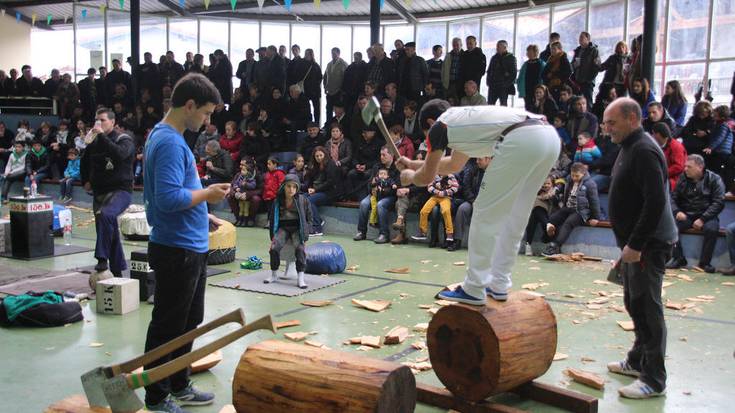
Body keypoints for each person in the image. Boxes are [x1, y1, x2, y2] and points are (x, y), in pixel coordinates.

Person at [397, 100, 560, 304]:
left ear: (430, 122)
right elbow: (453, 164)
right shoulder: (462, 120)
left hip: (520, 140)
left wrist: (410, 177)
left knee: (483, 211)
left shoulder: (439, 127)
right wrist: (412, 164)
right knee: (516, 215)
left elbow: (427, 176)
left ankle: (474, 287)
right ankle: (499, 285)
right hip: (548, 138)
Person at [142, 73, 228, 413]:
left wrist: (202, 209)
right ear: (189, 105)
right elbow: (166, 198)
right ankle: (156, 395)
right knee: (168, 324)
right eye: (205, 113)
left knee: (188, 320)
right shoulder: (168, 142)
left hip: (189, 243)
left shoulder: (170, 137)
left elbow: (177, 192)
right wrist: (205, 194)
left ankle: (179, 383)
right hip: (176, 248)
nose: (207, 121)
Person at [604, 97, 677, 399]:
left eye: (612, 123)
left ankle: (654, 379)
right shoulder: (629, 146)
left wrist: (635, 245)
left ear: (632, 118)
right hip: (634, 246)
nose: (606, 129)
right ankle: (637, 361)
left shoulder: (645, 150)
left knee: (648, 309)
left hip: (649, 245)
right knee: (634, 304)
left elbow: (656, 201)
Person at [79, 108, 135, 276]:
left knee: (106, 215)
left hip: (121, 190)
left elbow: (119, 155)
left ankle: (101, 259)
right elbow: (84, 161)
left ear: (112, 122)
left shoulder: (124, 139)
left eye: (102, 120)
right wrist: (85, 181)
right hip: (100, 190)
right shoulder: (94, 141)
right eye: (97, 120)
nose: (99, 124)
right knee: (106, 227)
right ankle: (117, 271)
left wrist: (101, 136)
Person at [666, 154, 725, 273]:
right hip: (686, 214)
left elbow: (719, 202)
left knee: (712, 229)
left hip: (707, 216)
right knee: (671, 227)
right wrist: (677, 211)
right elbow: (672, 198)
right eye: (685, 166)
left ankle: (704, 263)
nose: (685, 169)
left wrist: (703, 219)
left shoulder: (714, 179)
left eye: (689, 167)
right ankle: (678, 258)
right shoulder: (682, 178)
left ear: (700, 167)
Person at [264, 173, 313, 288]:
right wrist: (273, 238)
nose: (291, 189)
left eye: (294, 187)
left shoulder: (303, 200)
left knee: (300, 249)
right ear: (283, 187)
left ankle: (300, 277)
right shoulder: (277, 201)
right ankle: (274, 274)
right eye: (288, 186)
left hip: (297, 229)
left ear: (297, 188)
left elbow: (310, 219)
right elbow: (272, 219)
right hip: (283, 228)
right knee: (274, 249)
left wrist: (305, 234)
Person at [542, 162, 601, 256]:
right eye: (572, 175)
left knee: (568, 223)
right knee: (553, 218)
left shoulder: (590, 184)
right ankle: (548, 240)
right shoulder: (569, 180)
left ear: (583, 173)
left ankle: (555, 246)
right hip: (568, 207)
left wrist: (596, 217)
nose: (574, 178)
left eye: (577, 176)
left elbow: (594, 201)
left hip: (581, 211)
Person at [449, 156, 491, 252]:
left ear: (488, 159)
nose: (477, 161)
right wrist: (473, 201)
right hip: (472, 201)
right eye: (477, 159)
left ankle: (484, 244)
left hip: (488, 204)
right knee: (462, 209)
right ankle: (457, 240)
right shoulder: (473, 170)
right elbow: (466, 188)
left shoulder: (495, 173)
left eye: (480, 159)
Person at [305, 146, 341, 236]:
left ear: (325, 155)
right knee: (302, 198)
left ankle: (317, 228)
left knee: (309, 201)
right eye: (317, 156)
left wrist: (315, 190)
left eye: (321, 155)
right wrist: (310, 187)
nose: (319, 158)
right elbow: (310, 180)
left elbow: (330, 182)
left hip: (330, 192)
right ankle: (318, 220)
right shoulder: (314, 166)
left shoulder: (331, 165)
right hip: (317, 191)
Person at [522, 176, 559, 255]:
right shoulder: (538, 193)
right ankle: (547, 226)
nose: (545, 185)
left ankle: (528, 244)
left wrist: (550, 197)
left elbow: (557, 205)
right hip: (541, 216)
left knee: (536, 211)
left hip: (551, 214)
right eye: (544, 183)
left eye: (548, 183)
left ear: (552, 184)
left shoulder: (556, 192)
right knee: (536, 212)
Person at [229, 158, 262, 227]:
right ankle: (239, 219)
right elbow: (232, 185)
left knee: (256, 199)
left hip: (250, 195)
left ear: (249, 166)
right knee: (230, 196)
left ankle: (250, 219)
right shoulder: (239, 174)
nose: (240, 166)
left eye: (243, 165)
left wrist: (248, 194)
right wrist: (235, 193)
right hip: (239, 193)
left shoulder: (257, 175)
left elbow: (261, 189)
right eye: (240, 164)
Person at [571, 32, 601, 107]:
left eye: (582, 37)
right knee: (577, 102)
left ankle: (589, 117)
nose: (580, 39)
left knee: (587, 102)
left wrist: (589, 79)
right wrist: (574, 65)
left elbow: (596, 67)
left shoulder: (593, 50)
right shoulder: (578, 50)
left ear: (588, 39)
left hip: (587, 82)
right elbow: (572, 64)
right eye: (579, 38)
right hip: (577, 80)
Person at [486, 40, 517, 106]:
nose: (497, 48)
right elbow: (489, 70)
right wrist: (488, 81)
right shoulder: (494, 58)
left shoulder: (511, 58)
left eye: (499, 47)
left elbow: (513, 74)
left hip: (503, 87)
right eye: (497, 46)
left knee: (503, 105)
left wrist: (505, 84)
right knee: (490, 104)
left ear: (505, 48)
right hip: (493, 85)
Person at [517, 44, 546, 111]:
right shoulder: (526, 64)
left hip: (537, 89)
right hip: (527, 89)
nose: (528, 54)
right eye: (528, 52)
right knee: (528, 107)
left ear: (535, 52)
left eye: (530, 52)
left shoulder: (541, 64)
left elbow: (544, 77)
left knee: (537, 107)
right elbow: (521, 77)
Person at [323, 47, 348, 119]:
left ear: (339, 54)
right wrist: (325, 87)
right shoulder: (329, 64)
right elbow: (325, 76)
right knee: (328, 109)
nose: (333, 55)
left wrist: (342, 90)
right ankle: (328, 125)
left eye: (334, 53)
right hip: (329, 91)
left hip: (339, 91)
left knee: (338, 110)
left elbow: (346, 78)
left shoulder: (343, 64)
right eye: (332, 53)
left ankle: (339, 126)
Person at [442, 37, 464, 103]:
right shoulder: (448, 55)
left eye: (457, 45)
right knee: (448, 102)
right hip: (449, 84)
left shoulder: (465, 55)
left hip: (460, 84)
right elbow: (443, 70)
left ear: (461, 45)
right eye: (454, 45)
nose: (455, 47)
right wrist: (444, 82)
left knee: (458, 102)